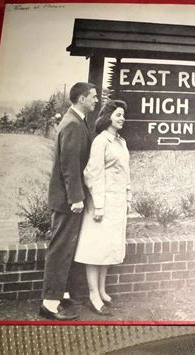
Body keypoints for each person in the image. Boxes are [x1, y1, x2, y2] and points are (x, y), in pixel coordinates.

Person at [40, 82, 98, 320]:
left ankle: (60, 294)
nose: (96, 100)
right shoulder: (73, 124)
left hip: (67, 199)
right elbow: (69, 166)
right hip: (67, 200)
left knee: (66, 248)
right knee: (60, 248)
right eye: (93, 97)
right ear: (82, 98)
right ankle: (49, 305)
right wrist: (76, 198)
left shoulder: (76, 120)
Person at [74, 100, 132, 316]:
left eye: (123, 115)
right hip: (101, 204)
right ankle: (93, 295)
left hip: (116, 204)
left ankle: (102, 289)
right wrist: (98, 205)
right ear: (108, 117)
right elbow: (92, 174)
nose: (122, 118)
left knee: (108, 248)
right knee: (96, 248)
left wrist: (128, 198)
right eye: (118, 115)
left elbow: (126, 172)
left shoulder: (121, 142)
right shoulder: (101, 141)